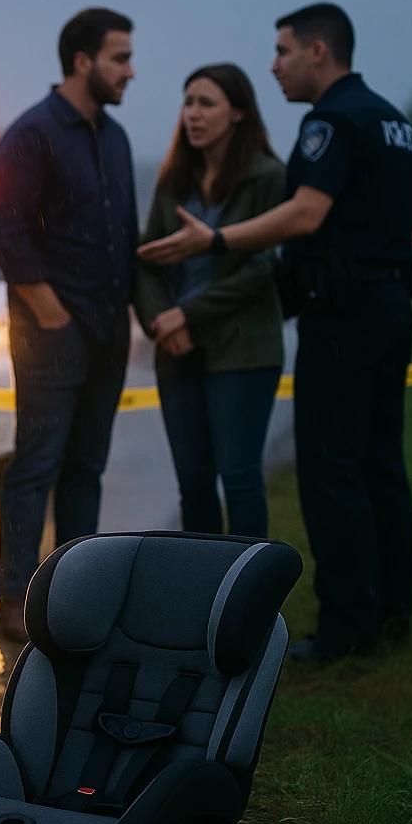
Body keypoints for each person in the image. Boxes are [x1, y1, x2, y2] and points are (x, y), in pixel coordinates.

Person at [139, 3, 412, 663]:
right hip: (393, 303)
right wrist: (370, 249)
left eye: (282, 52)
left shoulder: (328, 122)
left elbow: (304, 214)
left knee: (331, 471)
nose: (274, 65)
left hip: (344, 315)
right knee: (382, 464)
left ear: (319, 52)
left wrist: (216, 238)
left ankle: (345, 630)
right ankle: (390, 615)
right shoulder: (393, 121)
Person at [0, 8, 137, 642]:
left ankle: (73, 600)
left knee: (86, 471)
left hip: (109, 332)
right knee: (36, 467)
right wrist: (51, 315)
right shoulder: (32, 134)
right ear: (83, 62)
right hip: (53, 334)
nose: (131, 71)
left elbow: (122, 234)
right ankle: (14, 604)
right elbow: (6, 233)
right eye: (120, 58)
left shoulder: (117, 137)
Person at [134, 64, 287, 539]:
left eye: (207, 103)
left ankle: (251, 601)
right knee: (193, 485)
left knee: (239, 480)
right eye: (188, 103)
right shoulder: (174, 179)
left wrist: (189, 313)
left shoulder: (267, 177)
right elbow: (147, 261)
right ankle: (200, 598)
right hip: (178, 348)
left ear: (238, 113)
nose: (193, 115)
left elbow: (263, 267)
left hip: (242, 349)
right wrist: (163, 320)